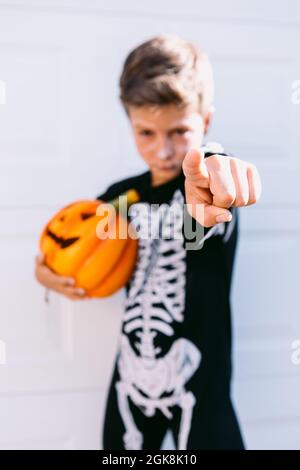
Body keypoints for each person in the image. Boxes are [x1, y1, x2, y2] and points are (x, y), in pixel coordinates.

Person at [35, 34, 262, 450]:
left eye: (180, 131)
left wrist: (213, 177)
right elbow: (77, 242)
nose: (163, 150)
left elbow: (202, 222)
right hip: (130, 378)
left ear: (205, 122)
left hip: (201, 385)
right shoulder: (124, 197)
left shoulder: (205, 185)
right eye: (146, 133)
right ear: (130, 124)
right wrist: (46, 272)